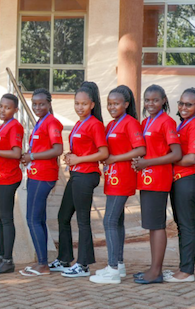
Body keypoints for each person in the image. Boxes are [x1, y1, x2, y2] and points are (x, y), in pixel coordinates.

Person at [90, 85, 145, 285]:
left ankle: (112, 268)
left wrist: (115, 159)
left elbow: (140, 149)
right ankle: (119, 265)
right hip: (112, 177)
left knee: (109, 221)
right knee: (117, 221)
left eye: (116, 103)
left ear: (126, 104)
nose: (112, 107)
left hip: (122, 177)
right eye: (109, 104)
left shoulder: (130, 123)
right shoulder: (111, 125)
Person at [55, 82, 108, 278]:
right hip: (77, 173)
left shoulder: (95, 124)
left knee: (83, 221)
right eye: (77, 103)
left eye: (84, 104)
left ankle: (83, 265)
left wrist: (78, 159)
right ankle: (64, 259)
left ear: (92, 104)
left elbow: (103, 153)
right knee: (63, 216)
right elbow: (84, 149)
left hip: (87, 175)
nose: (79, 107)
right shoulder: (79, 123)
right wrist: (71, 156)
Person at [132, 85, 181, 284]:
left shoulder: (167, 122)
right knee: (151, 226)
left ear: (164, 101)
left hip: (158, 178)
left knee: (157, 225)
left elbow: (176, 154)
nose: (150, 104)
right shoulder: (145, 122)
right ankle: (153, 267)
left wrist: (146, 162)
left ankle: (156, 271)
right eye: (147, 100)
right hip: (146, 178)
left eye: (155, 100)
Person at [165, 88, 195, 284]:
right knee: (182, 224)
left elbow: (192, 158)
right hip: (180, 179)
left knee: (186, 224)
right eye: (181, 103)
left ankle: (187, 271)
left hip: (189, 179)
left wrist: (169, 161)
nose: (183, 107)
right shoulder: (184, 123)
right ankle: (183, 267)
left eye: (188, 104)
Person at [20, 89, 63, 277]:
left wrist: (32, 156)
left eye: (42, 104)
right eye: (34, 104)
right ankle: (42, 261)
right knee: (38, 219)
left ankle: (43, 265)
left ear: (49, 104)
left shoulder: (52, 122)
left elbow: (58, 149)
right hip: (36, 174)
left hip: (43, 176)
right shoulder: (41, 122)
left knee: (32, 219)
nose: (38, 107)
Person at [0, 94, 24, 275]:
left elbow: (16, 153)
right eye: (1, 106)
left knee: (6, 219)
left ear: (16, 110)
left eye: (7, 107)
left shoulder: (15, 126)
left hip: (8, 178)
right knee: (0, 217)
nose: (2, 110)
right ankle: (1, 256)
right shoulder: (2, 126)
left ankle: (8, 261)